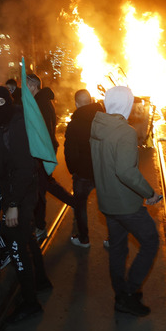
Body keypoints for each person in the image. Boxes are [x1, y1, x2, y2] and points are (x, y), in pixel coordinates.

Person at [90, 85, 163, 317]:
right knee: (150, 242)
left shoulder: (97, 125)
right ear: (126, 105)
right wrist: (149, 193)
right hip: (125, 204)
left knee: (118, 249)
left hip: (107, 201)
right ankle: (129, 292)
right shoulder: (125, 132)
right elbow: (126, 171)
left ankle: (121, 293)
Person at [0, 86, 52, 324]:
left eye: (0, 102)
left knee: (17, 246)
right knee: (27, 238)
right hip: (11, 189)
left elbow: (26, 168)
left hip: (21, 192)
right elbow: (1, 159)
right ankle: (41, 281)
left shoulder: (17, 125)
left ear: (8, 102)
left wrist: (13, 203)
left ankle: (30, 303)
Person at [26, 73, 76, 243]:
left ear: (33, 86)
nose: (24, 89)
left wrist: (40, 152)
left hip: (42, 152)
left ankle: (40, 227)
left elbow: (44, 131)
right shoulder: (40, 101)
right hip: (43, 151)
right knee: (46, 183)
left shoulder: (41, 103)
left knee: (39, 190)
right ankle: (75, 203)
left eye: (25, 85)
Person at [63, 89, 104, 248]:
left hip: (83, 173)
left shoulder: (74, 124)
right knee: (109, 205)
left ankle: (84, 239)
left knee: (80, 206)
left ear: (76, 103)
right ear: (91, 100)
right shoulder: (103, 119)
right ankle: (113, 238)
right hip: (102, 170)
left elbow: (70, 151)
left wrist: (73, 169)